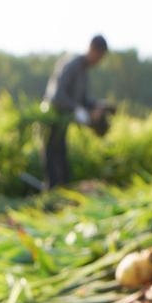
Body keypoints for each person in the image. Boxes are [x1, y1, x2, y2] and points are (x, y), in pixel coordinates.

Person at [41, 35, 108, 189]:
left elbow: (83, 99)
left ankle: (61, 191)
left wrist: (97, 104)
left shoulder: (84, 71)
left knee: (62, 158)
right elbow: (57, 96)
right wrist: (76, 108)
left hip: (63, 124)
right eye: (99, 57)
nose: (98, 62)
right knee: (52, 158)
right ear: (93, 50)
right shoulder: (72, 65)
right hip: (53, 119)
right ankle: (52, 193)